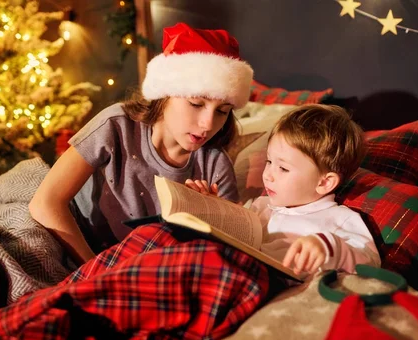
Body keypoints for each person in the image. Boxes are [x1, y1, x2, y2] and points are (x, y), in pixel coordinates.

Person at [29, 22, 254, 266]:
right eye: (196, 104)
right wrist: (94, 271)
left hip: (145, 267)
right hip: (82, 251)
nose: (208, 124)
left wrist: (208, 216)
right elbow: (45, 202)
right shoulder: (116, 125)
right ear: (165, 93)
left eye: (222, 111)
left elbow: (226, 255)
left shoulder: (215, 166)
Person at [187, 104, 381, 276]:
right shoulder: (262, 205)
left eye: (283, 168)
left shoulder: (339, 218)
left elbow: (371, 265)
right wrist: (214, 206)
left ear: (324, 183)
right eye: (269, 161)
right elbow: (237, 234)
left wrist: (330, 248)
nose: (268, 175)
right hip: (236, 270)